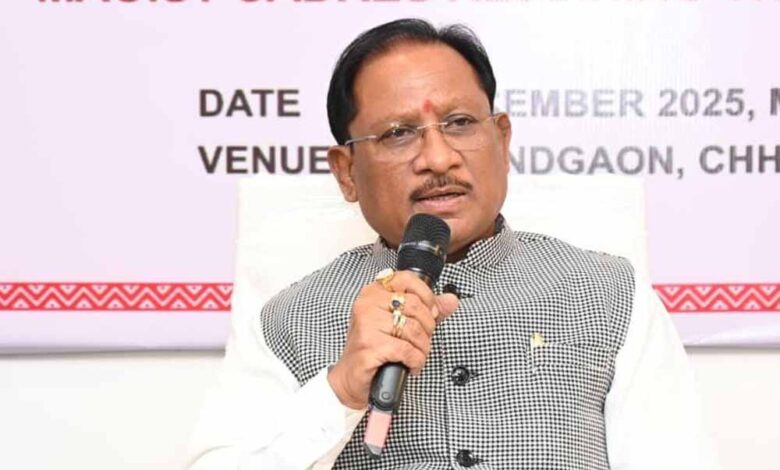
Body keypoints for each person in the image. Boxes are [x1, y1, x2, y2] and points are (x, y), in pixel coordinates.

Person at [186, 19, 719, 470]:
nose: (438, 158)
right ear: (347, 172)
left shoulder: (609, 294)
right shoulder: (287, 321)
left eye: (460, 123)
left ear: (502, 140)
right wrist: (341, 389)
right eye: (398, 133)